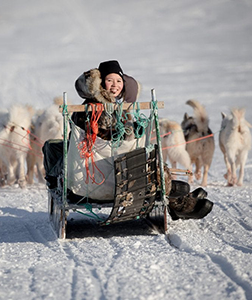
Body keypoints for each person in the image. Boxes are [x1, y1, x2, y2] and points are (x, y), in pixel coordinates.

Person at [44, 60, 214, 220]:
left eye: (118, 81)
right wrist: (130, 135)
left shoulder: (122, 108)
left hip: (117, 170)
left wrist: (134, 131)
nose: (115, 85)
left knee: (152, 160)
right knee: (149, 163)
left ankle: (180, 197)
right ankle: (179, 203)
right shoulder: (88, 108)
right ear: (101, 83)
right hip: (97, 173)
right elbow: (102, 143)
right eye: (109, 80)